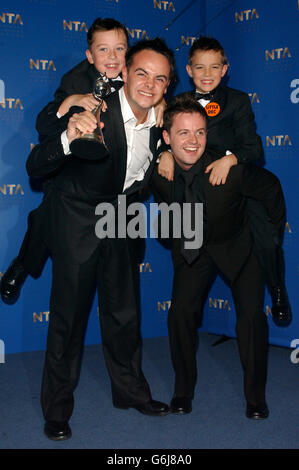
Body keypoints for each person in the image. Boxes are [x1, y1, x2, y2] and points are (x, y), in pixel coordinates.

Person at [25, 37, 175, 440]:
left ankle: (130, 393)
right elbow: (35, 164)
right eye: (141, 73)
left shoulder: (163, 122)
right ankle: (56, 409)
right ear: (123, 72)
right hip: (78, 221)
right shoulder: (93, 108)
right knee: (68, 320)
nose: (149, 85)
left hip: (122, 220)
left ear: (167, 86)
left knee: (125, 315)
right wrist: (67, 136)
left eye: (160, 79)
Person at [0, 17, 165, 304]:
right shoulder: (75, 79)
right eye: (103, 50)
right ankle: (23, 263)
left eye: (119, 49)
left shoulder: (141, 80)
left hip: (117, 186)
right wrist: (72, 101)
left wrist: (159, 103)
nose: (112, 57)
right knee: (48, 213)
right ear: (90, 56)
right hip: (77, 174)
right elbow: (45, 125)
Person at [151, 96, 287, 419]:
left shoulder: (228, 171)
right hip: (194, 245)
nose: (193, 141)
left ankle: (255, 397)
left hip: (238, 246)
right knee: (179, 314)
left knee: (252, 319)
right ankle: (182, 390)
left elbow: (271, 188)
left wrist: (270, 238)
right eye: (183, 133)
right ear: (167, 138)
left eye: (200, 132)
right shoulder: (158, 172)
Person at [157, 36, 291, 326]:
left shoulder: (238, 101)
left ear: (225, 69)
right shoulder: (177, 104)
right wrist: (164, 154)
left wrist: (230, 160)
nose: (207, 74)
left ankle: (278, 288)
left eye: (214, 67)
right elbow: (162, 137)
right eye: (200, 68)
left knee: (267, 242)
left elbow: (254, 148)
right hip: (197, 193)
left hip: (237, 188)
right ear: (189, 70)